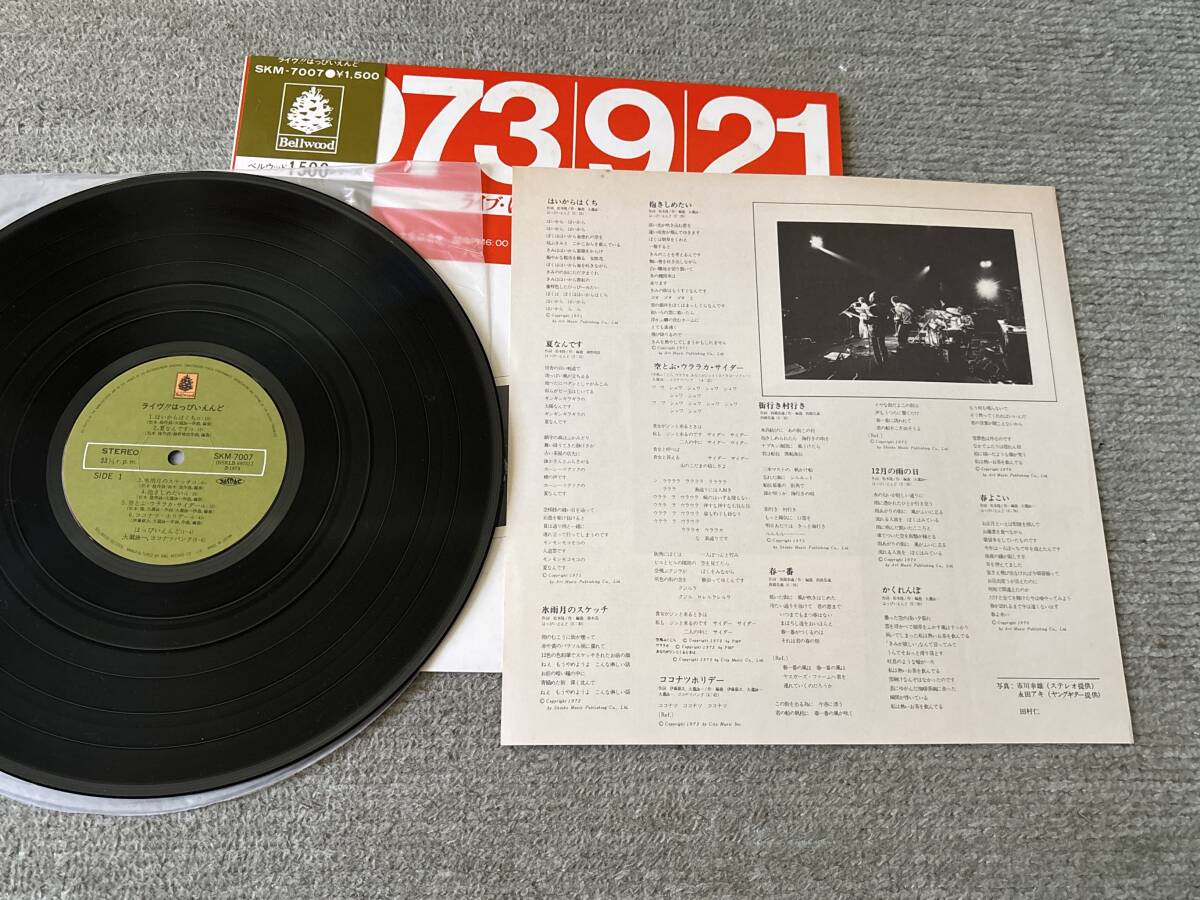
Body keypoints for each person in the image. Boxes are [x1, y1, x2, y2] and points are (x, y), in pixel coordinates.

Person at [865, 291, 888, 366]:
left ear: (872, 298)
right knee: (882, 345)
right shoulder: (884, 306)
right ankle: (886, 361)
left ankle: (879, 363)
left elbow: (872, 320)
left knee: (875, 347)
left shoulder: (871, 307)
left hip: (874, 329)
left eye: (870, 297)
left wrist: (865, 321)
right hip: (883, 327)